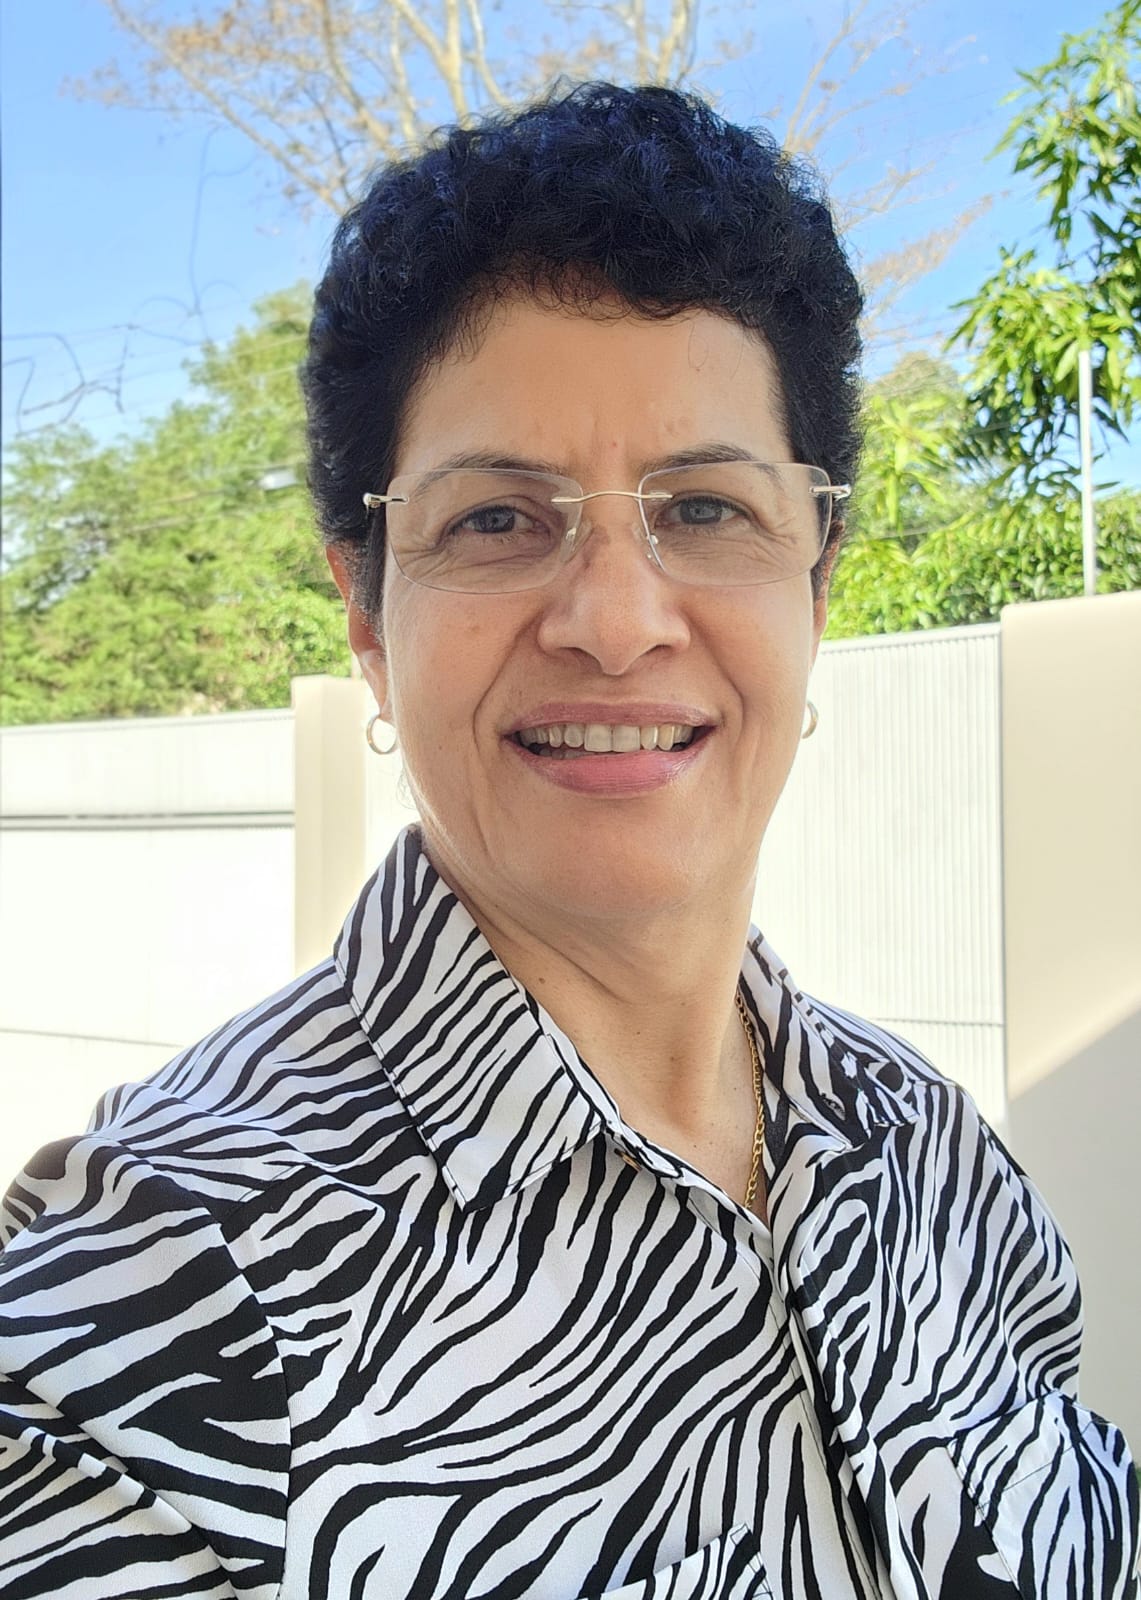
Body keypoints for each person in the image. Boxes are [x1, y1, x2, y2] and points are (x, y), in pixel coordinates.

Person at [0, 82, 1136, 1600]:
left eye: (706, 508)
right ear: (368, 619)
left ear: (817, 584)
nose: (614, 620)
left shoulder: (940, 1163)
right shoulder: (137, 1319)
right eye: (494, 520)